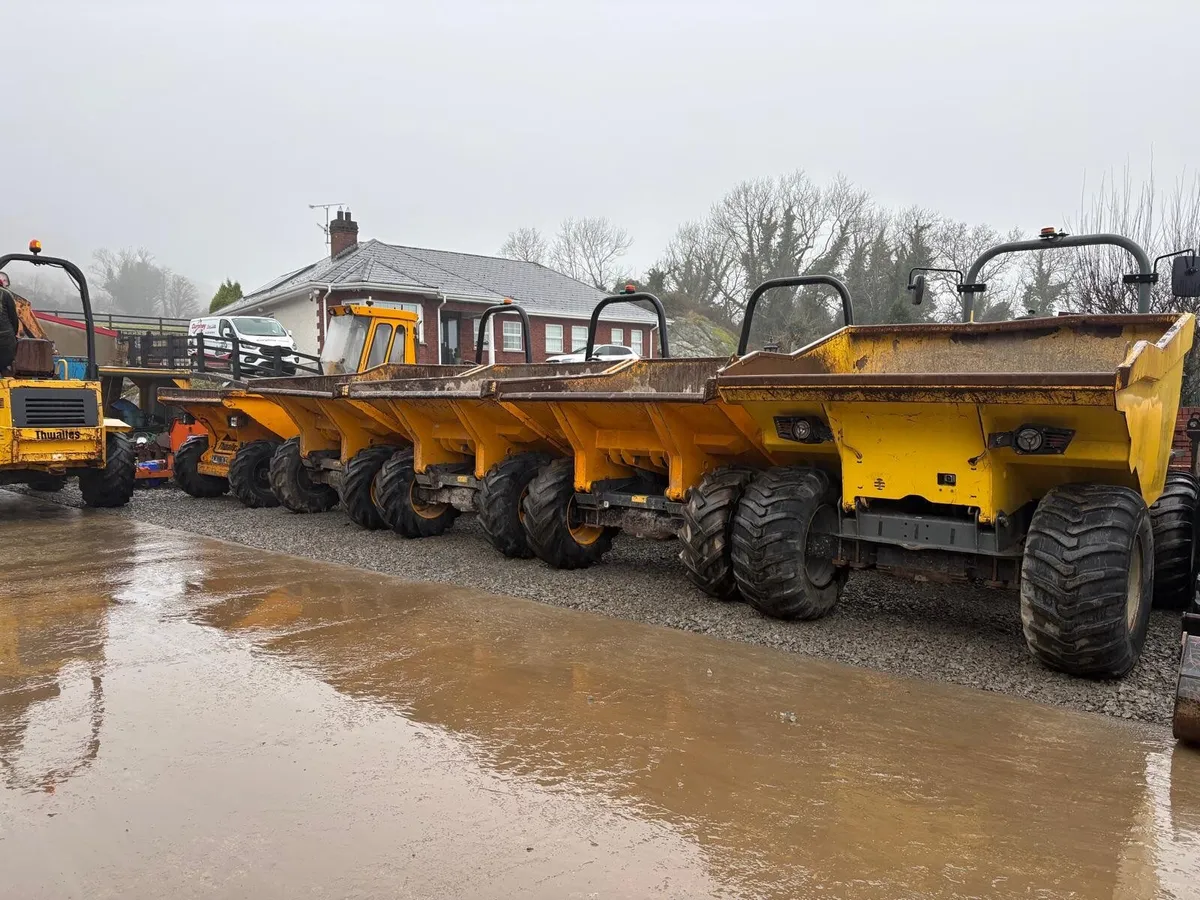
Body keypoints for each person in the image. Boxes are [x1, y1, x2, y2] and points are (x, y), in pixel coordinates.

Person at [0, 281, 18, 374]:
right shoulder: (6, 294)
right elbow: (13, 317)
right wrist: (14, 334)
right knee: (6, 367)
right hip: (6, 337)